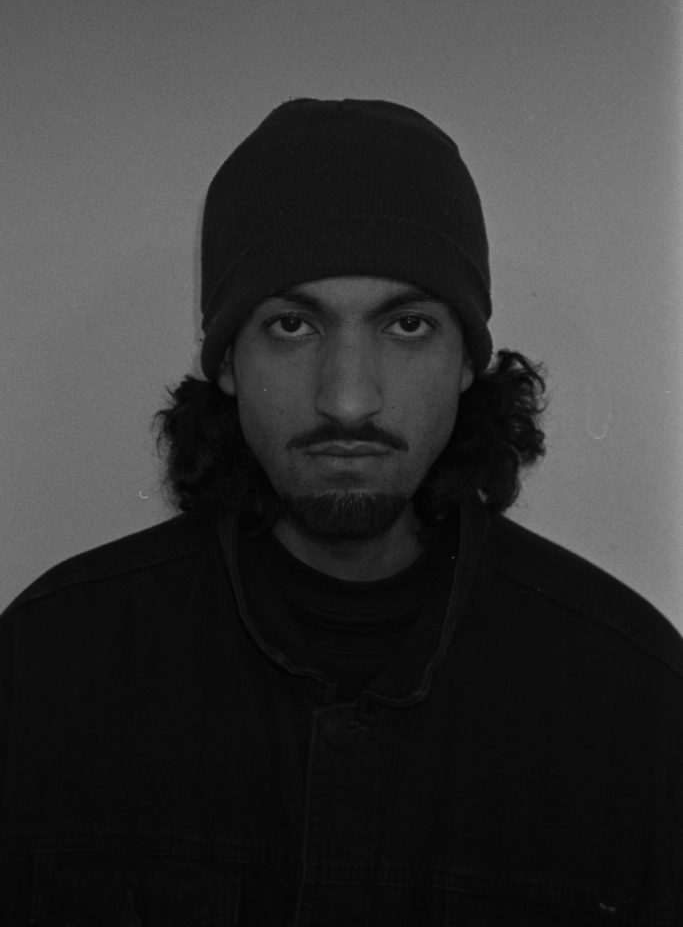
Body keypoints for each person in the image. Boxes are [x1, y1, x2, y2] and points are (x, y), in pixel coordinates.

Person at [0, 99, 681, 925]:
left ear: (466, 360)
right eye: (292, 325)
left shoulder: (633, 700)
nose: (349, 399)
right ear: (226, 360)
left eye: (407, 324)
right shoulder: (47, 669)